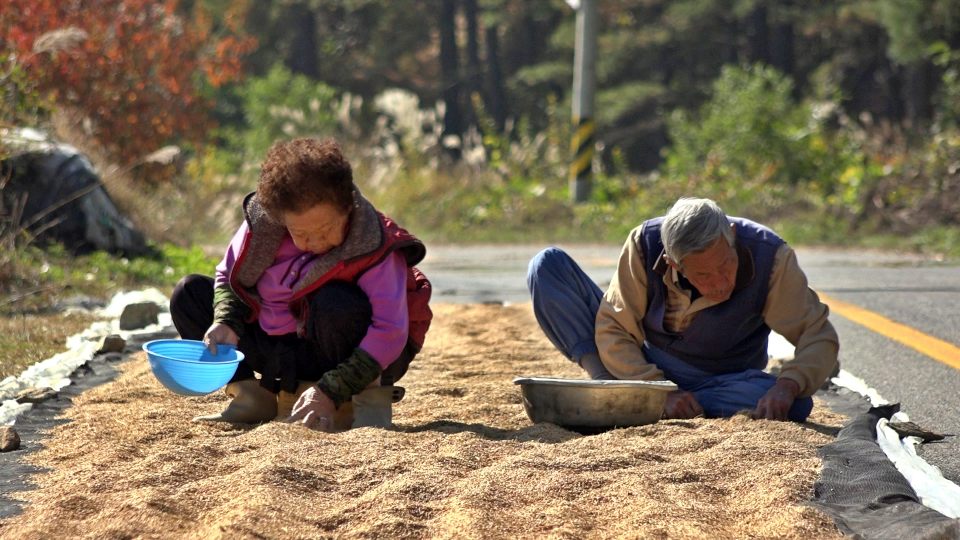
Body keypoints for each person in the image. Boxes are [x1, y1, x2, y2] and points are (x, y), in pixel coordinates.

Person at [170, 138, 432, 431]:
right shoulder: (263, 225)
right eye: (300, 233)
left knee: (335, 301)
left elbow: (390, 331)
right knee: (188, 293)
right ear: (280, 219)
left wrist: (330, 390)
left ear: (348, 208)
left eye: (326, 229)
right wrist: (226, 321)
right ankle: (251, 397)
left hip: (360, 353)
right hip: (284, 348)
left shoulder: (374, 242)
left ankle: (355, 402)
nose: (315, 243)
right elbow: (228, 279)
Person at [527, 197, 838, 422]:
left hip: (725, 379)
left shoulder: (772, 257)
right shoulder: (643, 244)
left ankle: (637, 400)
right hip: (647, 365)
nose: (720, 283)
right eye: (703, 275)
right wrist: (658, 391)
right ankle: (606, 382)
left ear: (730, 234)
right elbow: (616, 328)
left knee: (796, 405)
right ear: (673, 263)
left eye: (726, 265)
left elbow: (817, 334)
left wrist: (788, 385)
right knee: (547, 264)